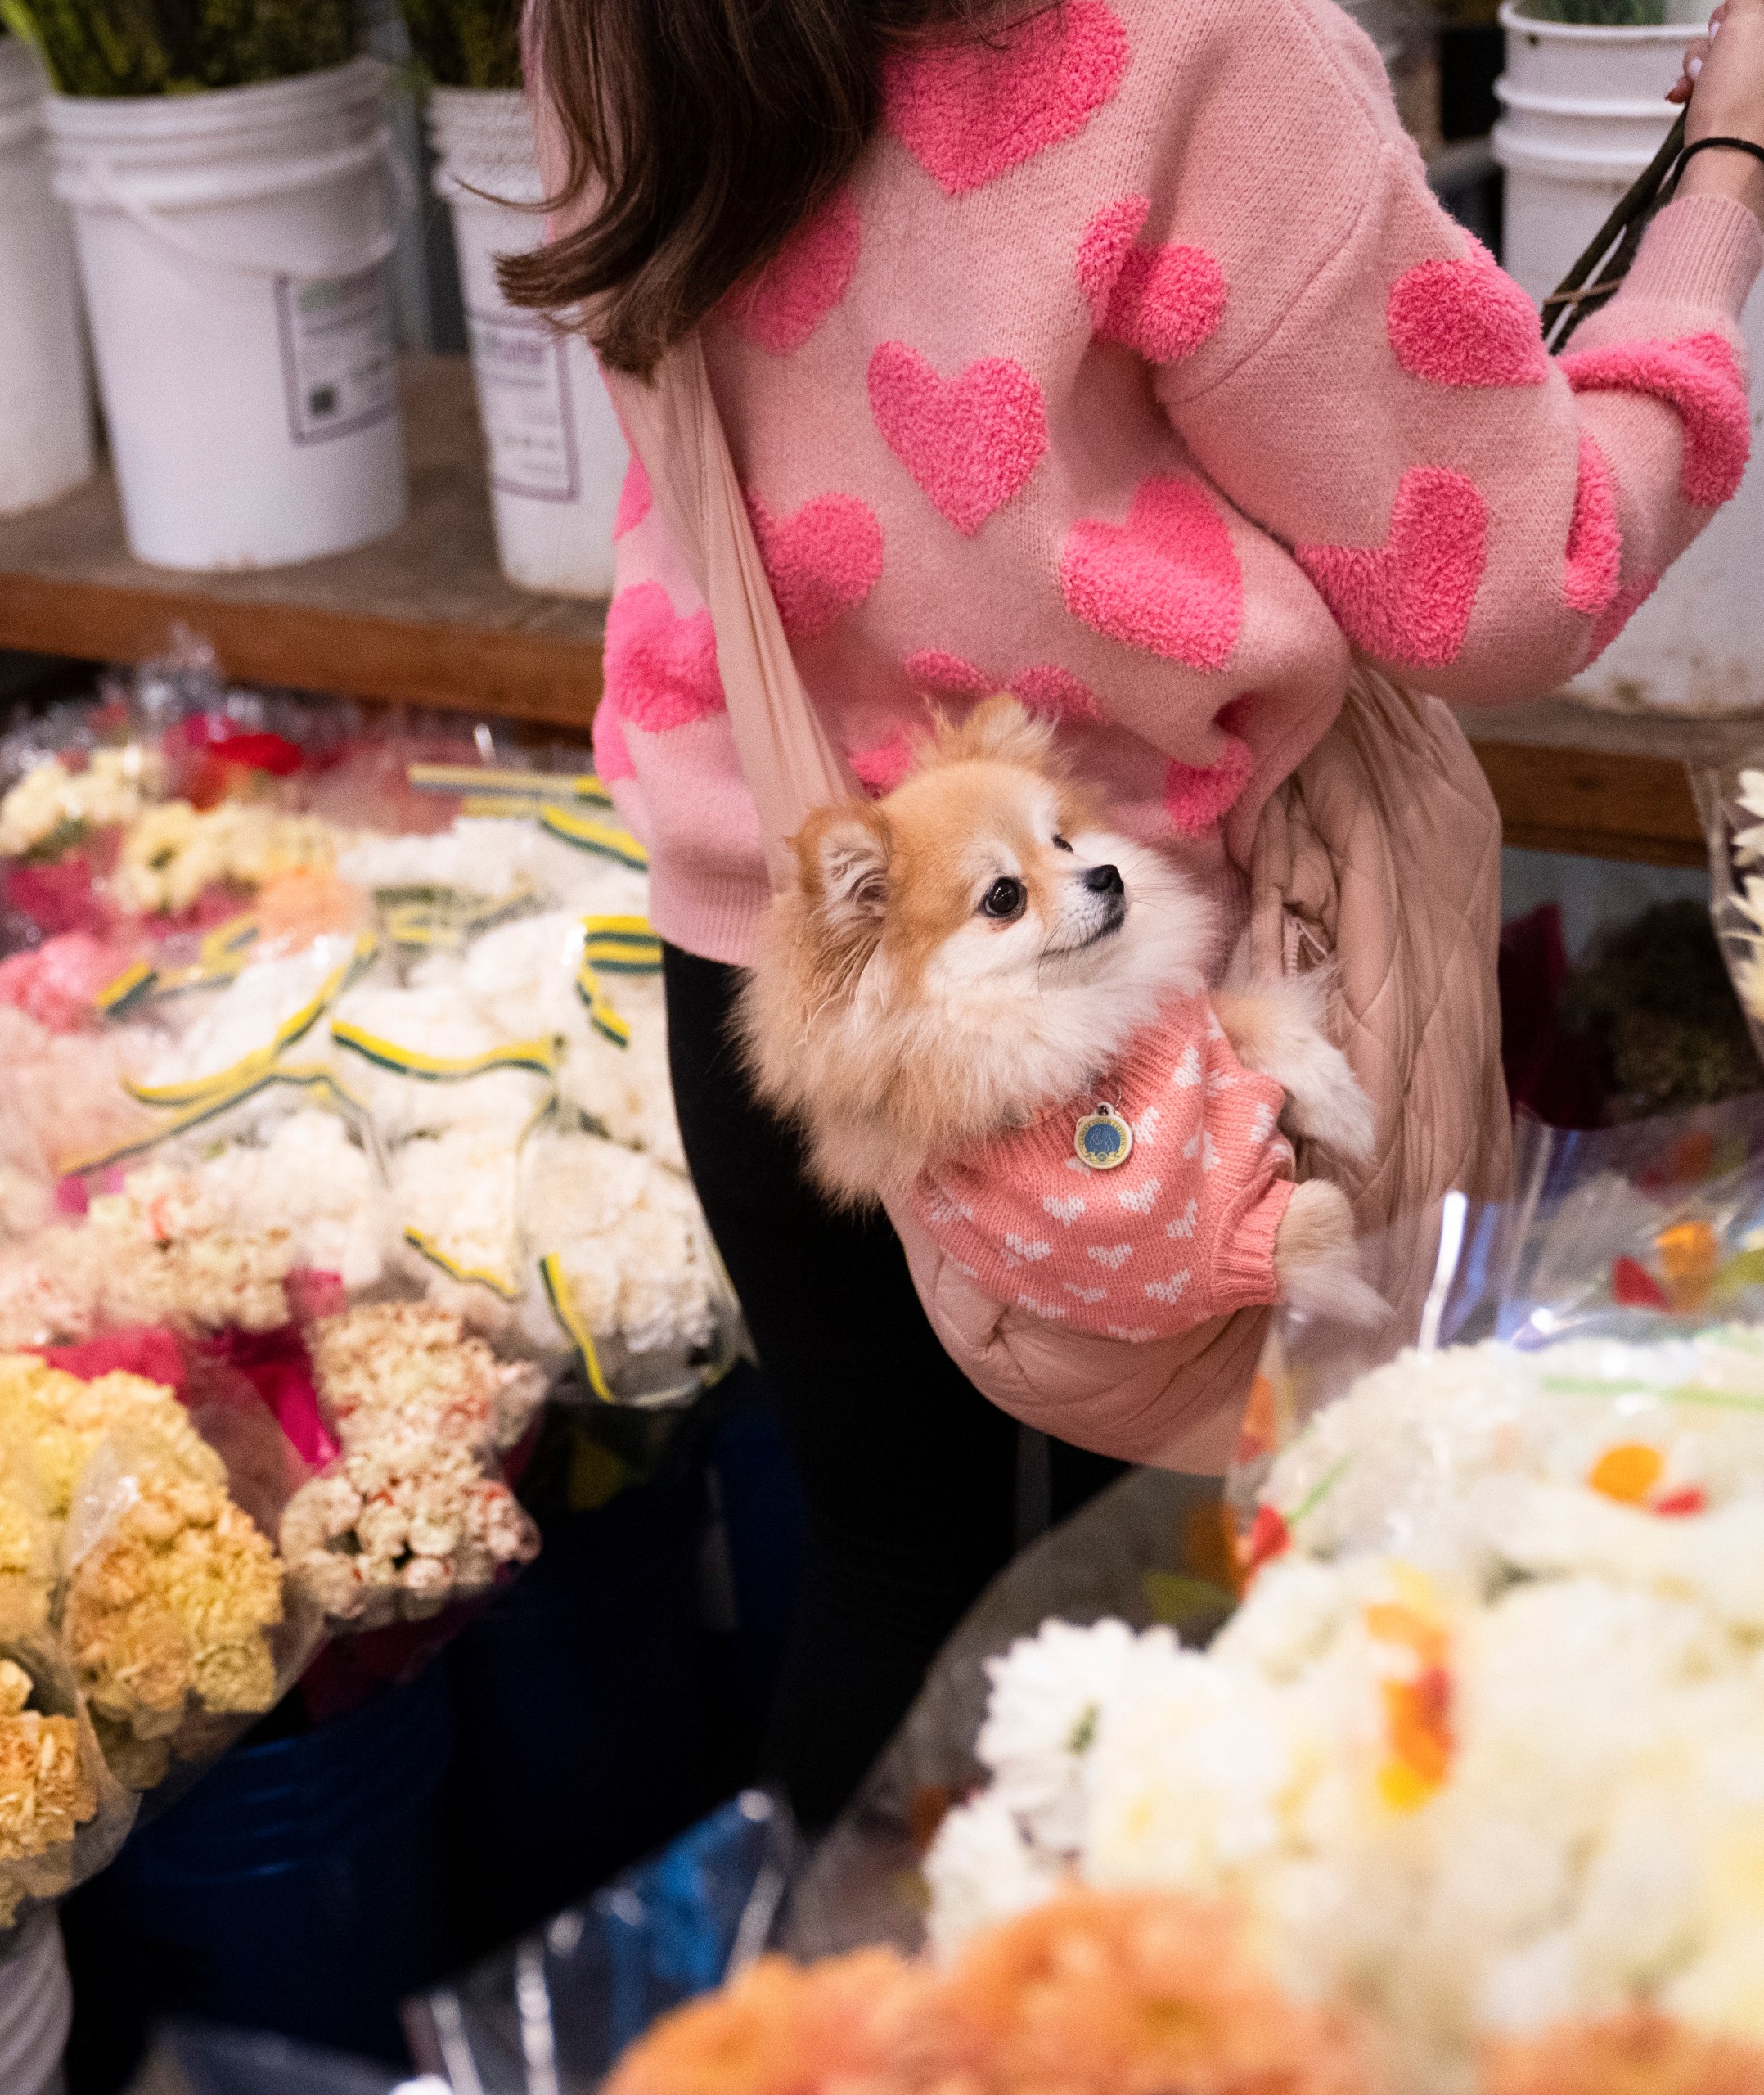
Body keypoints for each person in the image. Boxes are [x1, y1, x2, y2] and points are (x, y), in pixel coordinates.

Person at [513, 0, 1764, 1822]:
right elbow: (1514, 571)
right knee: (1226, 1616)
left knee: (892, 1584)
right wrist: (1727, 173)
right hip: (1156, 996)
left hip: (789, 968)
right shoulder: (1204, 41)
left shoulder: (612, 21)